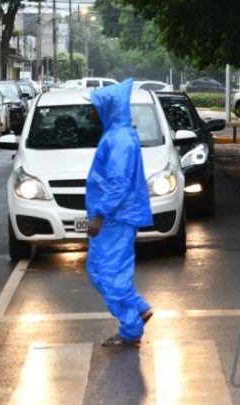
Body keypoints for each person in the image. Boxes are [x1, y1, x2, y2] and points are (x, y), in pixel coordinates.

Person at [85, 78, 154, 347]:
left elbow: (118, 182)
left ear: (109, 107)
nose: (91, 111)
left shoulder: (120, 139)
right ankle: (138, 308)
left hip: (115, 217)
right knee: (99, 270)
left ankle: (131, 328)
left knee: (111, 273)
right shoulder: (116, 134)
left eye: (95, 106)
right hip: (113, 216)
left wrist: (100, 214)